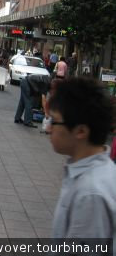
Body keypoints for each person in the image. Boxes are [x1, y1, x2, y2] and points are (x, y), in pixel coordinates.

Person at [47, 78, 116, 245]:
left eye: (54, 121)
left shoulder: (90, 193)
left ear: (81, 131)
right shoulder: (99, 171)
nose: (48, 128)